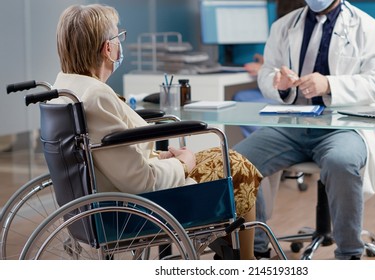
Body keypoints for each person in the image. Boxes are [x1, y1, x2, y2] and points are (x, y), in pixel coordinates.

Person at [53, 4, 262, 260]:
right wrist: (183, 164)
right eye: (119, 38)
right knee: (238, 166)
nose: (120, 44)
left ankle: (228, 250)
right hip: (138, 205)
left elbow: (113, 154)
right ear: (108, 48)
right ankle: (247, 261)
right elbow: (142, 182)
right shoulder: (97, 96)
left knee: (224, 158)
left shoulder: (66, 87)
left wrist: (162, 157)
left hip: (114, 190)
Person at [233, 0, 375, 260]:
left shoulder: (367, 26)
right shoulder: (284, 25)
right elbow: (267, 72)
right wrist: (279, 84)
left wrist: (329, 84)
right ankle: (254, 250)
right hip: (292, 124)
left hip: (343, 126)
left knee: (341, 161)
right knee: (239, 161)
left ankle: (350, 254)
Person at [233, 0, 306, 138]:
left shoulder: (294, 26)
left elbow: (295, 69)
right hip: (290, 90)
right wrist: (267, 65)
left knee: (241, 100)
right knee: (241, 96)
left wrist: (263, 69)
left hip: (296, 94)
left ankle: (269, 137)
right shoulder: (284, 27)